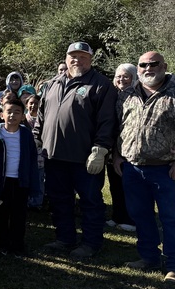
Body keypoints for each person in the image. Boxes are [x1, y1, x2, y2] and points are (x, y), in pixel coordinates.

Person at [114, 52, 175, 283]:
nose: (148, 68)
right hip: (131, 168)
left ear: (164, 66)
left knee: (171, 219)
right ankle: (148, 257)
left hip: (166, 170)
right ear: (137, 69)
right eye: (143, 65)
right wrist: (117, 155)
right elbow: (118, 126)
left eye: (154, 64)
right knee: (140, 215)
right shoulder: (127, 94)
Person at [34, 41, 118, 259]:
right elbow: (41, 118)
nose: (77, 60)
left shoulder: (100, 85)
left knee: (90, 201)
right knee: (60, 199)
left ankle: (91, 243)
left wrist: (100, 149)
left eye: (82, 56)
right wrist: (36, 141)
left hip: (85, 158)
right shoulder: (52, 84)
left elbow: (107, 121)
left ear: (90, 59)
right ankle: (65, 238)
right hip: (53, 156)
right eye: (73, 56)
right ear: (66, 58)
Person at [0, 94, 40, 257]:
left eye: (17, 112)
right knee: (0, 213)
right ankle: (2, 242)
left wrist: (32, 182)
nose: (12, 115)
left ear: (23, 116)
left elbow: (32, 159)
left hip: (20, 181)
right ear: (2, 114)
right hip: (0, 181)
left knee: (19, 214)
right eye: (8, 111)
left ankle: (17, 244)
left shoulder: (26, 135)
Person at [106, 63, 138, 232]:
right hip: (112, 148)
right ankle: (117, 215)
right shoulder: (114, 95)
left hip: (128, 148)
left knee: (128, 184)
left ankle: (130, 219)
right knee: (114, 183)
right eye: (118, 76)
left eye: (126, 76)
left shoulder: (136, 96)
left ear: (133, 78)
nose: (121, 79)